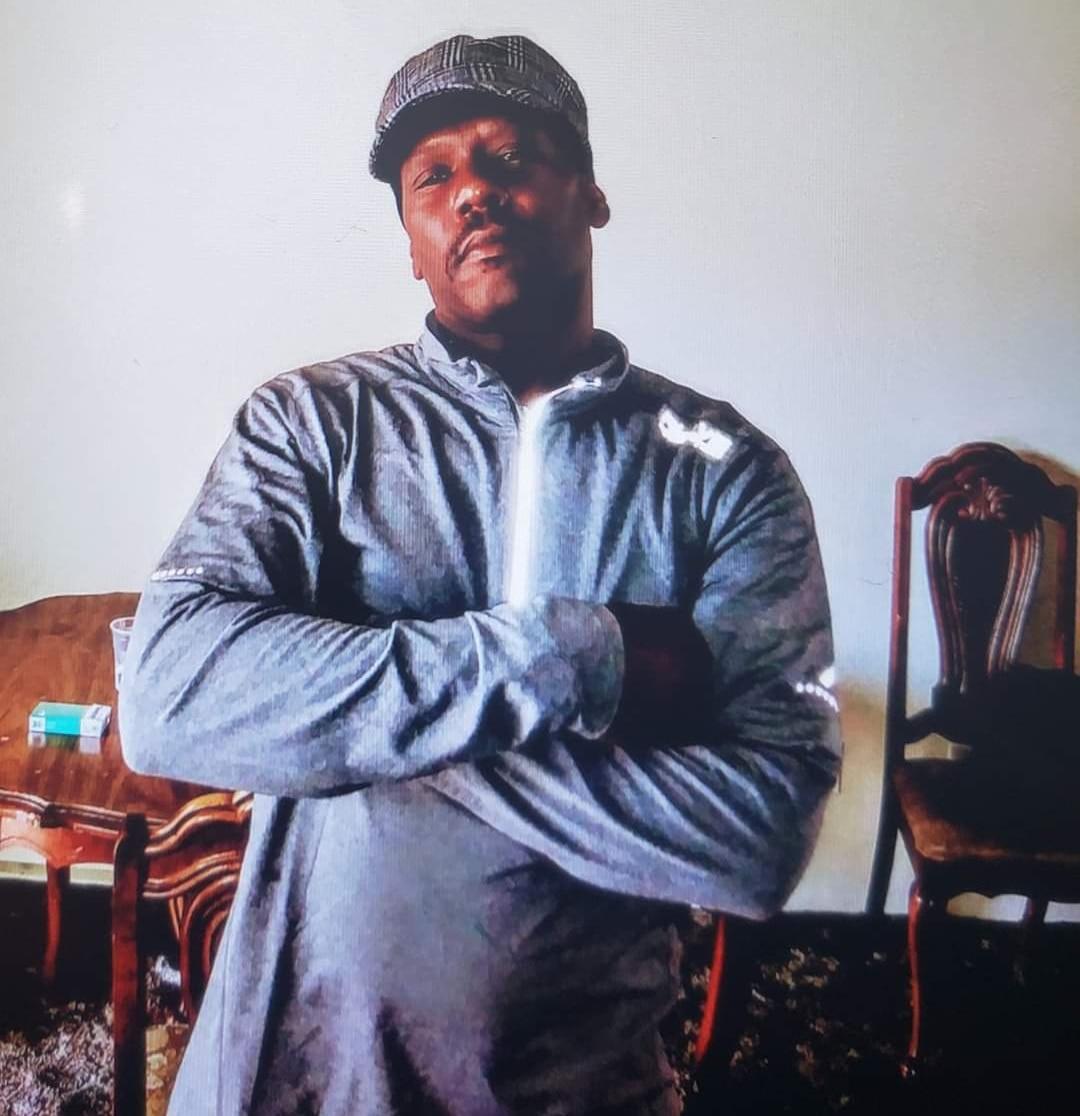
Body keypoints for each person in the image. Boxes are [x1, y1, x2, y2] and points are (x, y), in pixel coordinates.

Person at [120, 33, 841, 1116]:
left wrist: (339, 717)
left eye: (510, 157)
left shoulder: (726, 472)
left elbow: (759, 835)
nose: (472, 193)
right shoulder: (310, 425)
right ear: (411, 244)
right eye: (434, 176)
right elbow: (170, 696)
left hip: (582, 1084)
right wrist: (569, 659)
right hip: (296, 1075)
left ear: (592, 194)